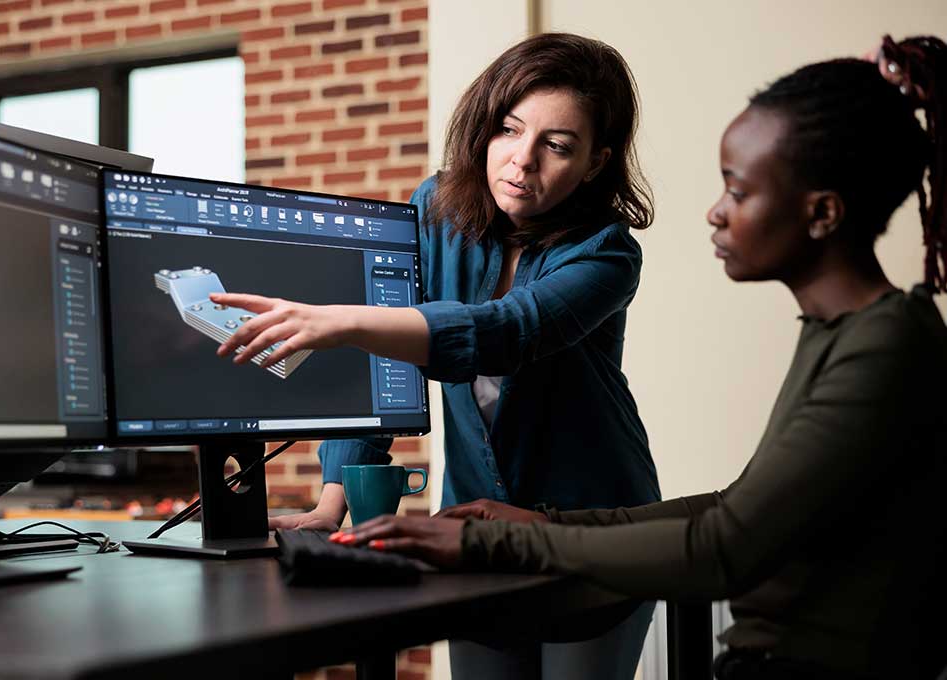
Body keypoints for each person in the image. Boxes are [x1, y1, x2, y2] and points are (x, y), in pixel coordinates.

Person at [332, 35, 947, 680]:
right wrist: (521, 523)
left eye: (737, 192)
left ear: (822, 213)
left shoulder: (882, 349)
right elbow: (735, 506)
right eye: (509, 130)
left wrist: (502, 536)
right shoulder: (841, 331)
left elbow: (723, 546)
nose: (714, 212)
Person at [211, 33, 660, 680]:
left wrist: (344, 320)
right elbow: (387, 358)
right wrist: (335, 497)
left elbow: (506, 331)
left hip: (594, 530)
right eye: (508, 130)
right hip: (473, 532)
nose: (522, 160)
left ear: (594, 163)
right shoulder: (437, 209)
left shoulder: (609, 254)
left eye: (557, 146)